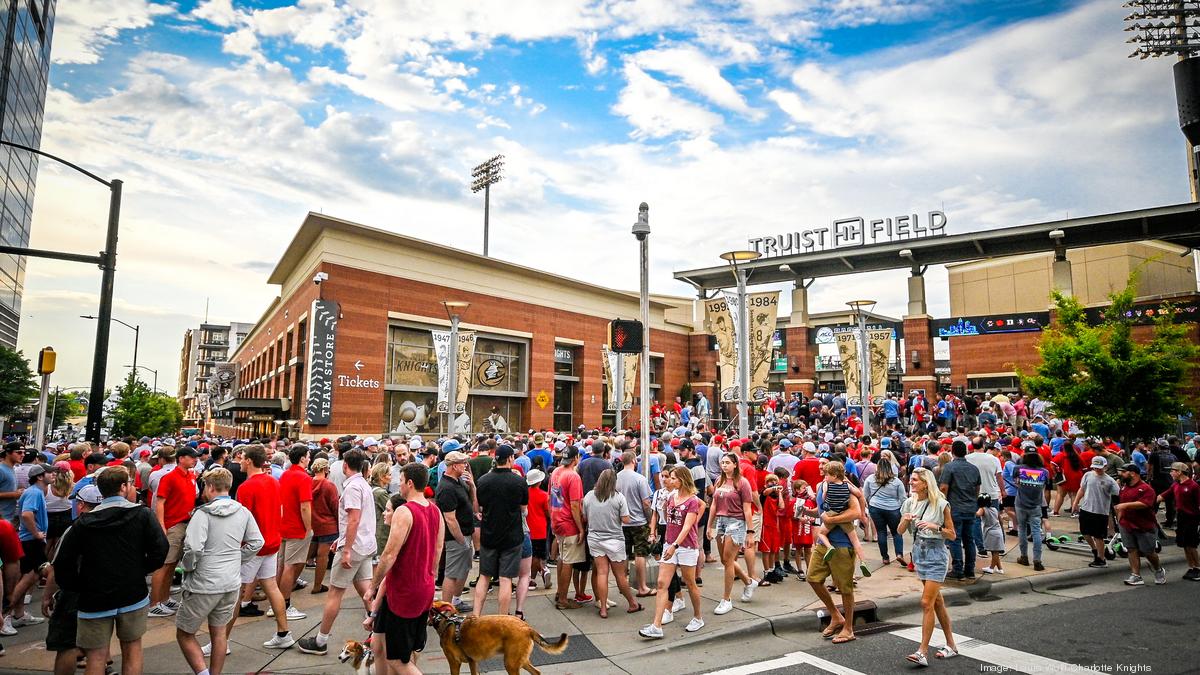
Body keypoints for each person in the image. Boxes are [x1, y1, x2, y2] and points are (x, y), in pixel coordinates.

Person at [54, 466, 169, 675]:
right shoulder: (142, 514)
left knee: (96, 656)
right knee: (132, 648)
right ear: (124, 487)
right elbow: (160, 549)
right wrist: (141, 569)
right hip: (132, 593)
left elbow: (63, 563)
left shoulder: (83, 523)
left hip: (94, 596)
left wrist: (78, 585)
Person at [177, 467, 263, 675]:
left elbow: (194, 548)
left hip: (204, 582)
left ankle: (202, 672)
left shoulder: (202, 514)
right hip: (230, 581)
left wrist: (187, 566)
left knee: (185, 633)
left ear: (209, 487)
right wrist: (237, 559)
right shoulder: (243, 511)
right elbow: (257, 542)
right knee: (219, 633)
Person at [363, 463, 442, 672]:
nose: (398, 485)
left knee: (398, 659)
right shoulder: (435, 511)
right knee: (396, 647)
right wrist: (429, 577)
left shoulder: (405, 511)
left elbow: (389, 555)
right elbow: (437, 552)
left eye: (400, 481)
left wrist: (372, 586)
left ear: (409, 483)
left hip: (405, 592)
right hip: (423, 588)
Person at [298, 449, 377, 656]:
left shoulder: (352, 487)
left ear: (344, 465)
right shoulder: (364, 486)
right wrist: (342, 541)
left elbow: (353, 519)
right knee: (365, 588)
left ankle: (321, 640)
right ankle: (379, 628)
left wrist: (347, 548)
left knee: (335, 593)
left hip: (355, 546)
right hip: (365, 545)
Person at [224, 444, 294, 651]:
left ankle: (222, 642)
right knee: (271, 586)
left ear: (248, 461)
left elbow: (241, 522)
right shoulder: (273, 481)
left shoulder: (246, 488)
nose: (240, 461)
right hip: (271, 542)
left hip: (253, 547)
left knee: (235, 594)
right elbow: (279, 510)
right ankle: (283, 633)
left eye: (242, 458)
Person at [899, 466, 959, 666]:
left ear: (926, 483)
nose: (911, 482)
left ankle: (922, 651)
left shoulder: (941, 504)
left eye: (915, 480)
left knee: (926, 602)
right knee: (937, 602)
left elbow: (952, 534)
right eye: (911, 479)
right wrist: (905, 520)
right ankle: (951, 644)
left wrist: (936, 527)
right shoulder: (909, 502)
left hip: (936, 554)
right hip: (919, 553)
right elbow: (900, 531)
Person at [800, 461, 863, 645]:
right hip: (823, 542)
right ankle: (836, 616)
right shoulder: (822, 486)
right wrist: (808, 513)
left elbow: (856, 512)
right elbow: (821, 511)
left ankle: (849, 628)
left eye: (824, 465)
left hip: (843, 544)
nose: (821, 468)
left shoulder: (845, 487)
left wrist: (831, 519)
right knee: (812, 578)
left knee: (845, 588)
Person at [639, 465, 705, 638]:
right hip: (670, 544)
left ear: (682, 479)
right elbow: (666, 520)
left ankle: (698, 617)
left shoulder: (692, 500)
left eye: (674, 478)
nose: (669, 480)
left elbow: (687, 526)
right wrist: (665, 541)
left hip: (686, 546)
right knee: (662, 583)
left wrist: (674, 545)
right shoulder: (669, 497)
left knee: (690, 582)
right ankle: (656, 625)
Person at [472, 445, 527, 617]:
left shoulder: (483, 481)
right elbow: (523, 508)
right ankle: (503, 619)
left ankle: (475, 615)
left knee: (484, 577)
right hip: (511, 536)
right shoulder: (519, 481)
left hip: (489, 535)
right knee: (505, 579)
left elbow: (478, 507)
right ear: (510, 458)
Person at [581, 469, 641, 618]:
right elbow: (626, 519)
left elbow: (585, 516)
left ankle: (602, 608)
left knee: (602, 573)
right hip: (614, 539)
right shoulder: (618, 497)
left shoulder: (589, 496)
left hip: (595, 539)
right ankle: (632, 603)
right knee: (620, 575)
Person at [149, 446, 199, 618]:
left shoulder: (191, 476)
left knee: (172, 564)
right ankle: (155, 603)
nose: (195, 460)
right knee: (164, 564)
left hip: (185, 523)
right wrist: (162, 525)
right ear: (181, 458)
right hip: (173, 524)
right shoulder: (169, 478)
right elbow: (160, 502)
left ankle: (164, 598)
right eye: (192, 457)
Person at [708, 453, 756, 615]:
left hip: (737, 522)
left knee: (728, 561)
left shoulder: (742, 483)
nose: (724, 465)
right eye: (722, 463)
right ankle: (749, 582)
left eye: (728, 462)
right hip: (721, 521)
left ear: (735, 464)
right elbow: (714, 503)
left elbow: (747, 508)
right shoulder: (719, 480)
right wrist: (710, 525)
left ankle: (726, 599)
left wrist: (750, 531)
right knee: (724, 559)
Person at [7, 463, 52, 630]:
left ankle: (18, 614)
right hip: (30, 541)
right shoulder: (34, 492)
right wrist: (36, 533)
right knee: (28, 578)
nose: (52, 475)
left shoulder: (35, 492)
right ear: (40, 476)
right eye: (49, 473)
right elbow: (26, 514)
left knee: (30, 577)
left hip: (29, 540)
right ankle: (5, 615)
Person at [812, 461, 871, 578]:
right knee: (855, 541)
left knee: (821, 534)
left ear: (833, 476)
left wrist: (826, 497)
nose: (825, 477)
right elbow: (859, 494)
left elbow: (823, 497)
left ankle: (830, 547)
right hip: (844, 515)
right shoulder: (846, 485)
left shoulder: (826, 484)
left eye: (827, 475)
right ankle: (863, 562)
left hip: (831, 514)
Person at [434, 451, 474, 612]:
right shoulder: (446, 487)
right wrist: (461, 540)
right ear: (454, 466)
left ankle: (456, 600)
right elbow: (450, 519)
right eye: (463, 463)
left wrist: (472, 485)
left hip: (465, 533)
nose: (465, 466)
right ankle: (446, 608)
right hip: (456, 537)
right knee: (451, 573)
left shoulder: (458, 482)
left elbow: (472, 501)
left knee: (463, 569)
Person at [276, 445, 312, 620]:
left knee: (282, 566)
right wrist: (308, 528)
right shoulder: (303, 477)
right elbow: (305, 506)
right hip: (296, 527)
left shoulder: (285, 474)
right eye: (308, 456)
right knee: (290, 567)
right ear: (303, 459)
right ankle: (284, 604)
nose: (309, 459)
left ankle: (278, 603)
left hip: (284, 525)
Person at [1115, 463, 1166, 586]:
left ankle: (1158, 570)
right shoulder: (1124, 487)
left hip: (1144, 526)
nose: (1121, 474)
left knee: (1148, 552)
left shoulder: (1146, 488)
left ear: (1132, 473)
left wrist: (1126, 505)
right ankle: (1136, 575)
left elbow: (1146, 504)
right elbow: (1121, 504)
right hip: (1126, 524)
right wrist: (1120, 518)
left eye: (1123, 472)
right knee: (1131, 549)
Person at [938, 440, 981, 580]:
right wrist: (973, 501)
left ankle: (958, 569)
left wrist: (941, 504)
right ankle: (970, 569)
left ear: (953, 452)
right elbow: (977, 488)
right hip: (970, 507)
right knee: (969, 539)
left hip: (955, 507)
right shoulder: (974, 468)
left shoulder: (949, 467)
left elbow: (943, 488)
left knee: (954, 538)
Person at [550, 446, 586, 610]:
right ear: (576, 458)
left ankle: (560, 592)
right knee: (568, 561)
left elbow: (552, 496)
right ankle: (563, 599)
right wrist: (581, 528)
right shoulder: (573, 476)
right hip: (568, 522)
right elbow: (574, 505)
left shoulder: (556, 471)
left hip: (556, 518)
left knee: (562, 558)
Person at [614, 451, 654, 597]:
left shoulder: (616, 478)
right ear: (633, 461)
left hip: (622, 522)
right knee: (640, 553)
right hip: (638, 521)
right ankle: (642, 587)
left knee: (623, 554)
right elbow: (646, 503)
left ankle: (622, 584)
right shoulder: (640, 479)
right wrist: (650, 520)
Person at [1072, 456, 1120, 568]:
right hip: (1086, 508)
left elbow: (1117, 496)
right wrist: (1075, 502)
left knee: (1098, 536)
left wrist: (1117, 511)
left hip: (1100, 511)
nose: (1097, 470)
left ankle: (1101, 558)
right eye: (1095, 467)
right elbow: (1082, 489)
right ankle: (1095, 550)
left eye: (1100, 468)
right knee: (1085, 532)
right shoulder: (1088, 475)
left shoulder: (1110, 481)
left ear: (1105, 467)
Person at [1158, 462, 1199, 580]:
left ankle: (1198, 568)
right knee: (1184, 544)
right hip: (1181, 517)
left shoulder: (1193, 486)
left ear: (1179, 472)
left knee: (1191, 545)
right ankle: (1191, 567)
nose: (1171, 473)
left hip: (1192, 518)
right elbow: (1163, 495)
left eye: (1172, 471)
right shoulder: (1175, 485)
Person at [865, 459, 906, 566]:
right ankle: (899, 554)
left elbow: (866, 495)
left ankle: (885, 557)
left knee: (881, 532)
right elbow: (903, 498)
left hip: (875, 507)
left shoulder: (870, 479)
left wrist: (870, 503)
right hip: (893, 508)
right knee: (897, 532)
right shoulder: (896, 481)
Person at [308, 458, 338, 594]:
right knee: (322, 557)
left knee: (307, 554)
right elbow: (335, 507)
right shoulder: (329, 485)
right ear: (326, 469)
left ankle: (292, 580)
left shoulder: (308, 483)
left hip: (312, 523)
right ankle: (317, 585)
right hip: (328, 525)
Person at [1014, 451, 1048, 570]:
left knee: (1022, 529)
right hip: (1036, 505)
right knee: (1036, 532)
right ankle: (1037, 560)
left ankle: (1024, 556)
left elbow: (1015, 480)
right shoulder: (1044, 472)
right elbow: (1044, 485)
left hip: (1021, 503)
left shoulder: (1018, 468)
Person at [525, 469, 552, 590]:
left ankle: (533, 578)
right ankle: (542, 570)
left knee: (532, 555)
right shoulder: (543, 495)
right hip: (540, 527)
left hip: (527, 526)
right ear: (539, 482)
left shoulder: (525, 493)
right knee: (539, 554)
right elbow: (547, 512)